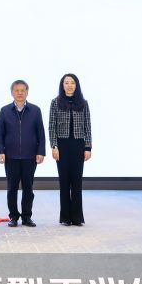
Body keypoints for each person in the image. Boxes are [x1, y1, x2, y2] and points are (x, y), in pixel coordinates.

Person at [0, 80, 46, 227]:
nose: (20, 93)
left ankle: (26, 217)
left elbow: (41, 133)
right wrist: (0, 151)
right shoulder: (4, 111)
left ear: (27, 92)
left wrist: (41, 152)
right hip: (10, 156)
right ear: (12, 92)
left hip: (30, 156)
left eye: (23, 90)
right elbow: (0, 134)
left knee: (28, 189)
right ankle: (13, 217)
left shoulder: (35, 110)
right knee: (12, 189)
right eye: (17, 90)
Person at [49, 73, 92, 226]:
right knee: (64, 182)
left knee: (77, 182)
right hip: (62, 146)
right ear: (62, 85)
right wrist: (54, 146)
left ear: (76, 85)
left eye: (72, 82)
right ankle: (65, 217)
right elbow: (51, 126)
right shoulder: (55, 102)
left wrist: (88, 147)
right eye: (66, 82)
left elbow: (88, 126)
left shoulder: (83, 103)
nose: (69, 85)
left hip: (78, 146)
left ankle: (77, 217)